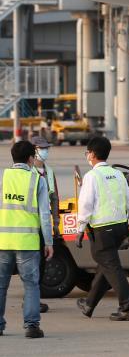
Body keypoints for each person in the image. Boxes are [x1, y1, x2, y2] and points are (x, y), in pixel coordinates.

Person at [75, 136, 129, 321]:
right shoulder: (117, 174)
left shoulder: (92, 176)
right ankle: (89, 304)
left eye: (87, 152)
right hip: (120, 228)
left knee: (112, 267)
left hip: (102, 230)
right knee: (107, 266)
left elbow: (86, 204)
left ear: (93, 154)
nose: (86, 155)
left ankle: (128, 307)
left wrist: (80, 229)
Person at [0, 140, 53, 338]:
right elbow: (44, 216)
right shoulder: (37, 180)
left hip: (3, 241)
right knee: (31, 284)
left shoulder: (3, 177)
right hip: (27, 242)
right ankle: (31, 326)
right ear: (31, 158)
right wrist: (49, 242)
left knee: (1, 285)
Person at [31, 136, 59, 314]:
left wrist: (56, 222)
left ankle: (35, 298)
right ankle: (31, 299)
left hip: (43, 224)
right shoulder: (28, 171)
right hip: (29, 224)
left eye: (47, 148)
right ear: (34, 150)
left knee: (40, 263)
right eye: (42, 148)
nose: (45, 151)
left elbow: (54, 199)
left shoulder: (49, 172)